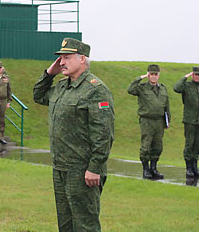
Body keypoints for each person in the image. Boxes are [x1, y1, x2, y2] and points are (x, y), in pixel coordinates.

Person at [33, 38, 115, 232]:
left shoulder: (96, 90)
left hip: (82, 170)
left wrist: (95, 167)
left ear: (82, 60)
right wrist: (49, 73)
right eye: (60, 58)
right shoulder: (62, 87)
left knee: (85, 225)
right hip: (60, 167)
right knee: (66, 225)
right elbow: (38, 95)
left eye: (67, 57)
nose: (62, 62)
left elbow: (103, 133)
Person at [127, 64, 170, 180]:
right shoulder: (142, 88)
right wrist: (140, 78)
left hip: (159, 121)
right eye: (151, 74)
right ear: (148, 75)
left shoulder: (163, 88)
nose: (154, 77)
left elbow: (166, 105)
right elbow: (130, 89)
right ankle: (145, 169)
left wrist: (167, 120)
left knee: (157, 146)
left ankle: (154, 168)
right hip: (147, 120)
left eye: (156, 74)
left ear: (159, 75)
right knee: (146, 145)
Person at [173, 67, 199, 178]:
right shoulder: (187, 86)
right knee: (189, 143)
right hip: (190, 120)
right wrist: (186, 76)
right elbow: (176, 87)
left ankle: (195, 166)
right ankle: (188, 167)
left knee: (198, 145)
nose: (198, 77)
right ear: (192, 75)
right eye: (196, 75)